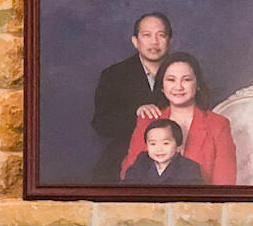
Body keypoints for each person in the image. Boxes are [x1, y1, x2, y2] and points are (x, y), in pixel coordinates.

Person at [120, 52, 238, 185]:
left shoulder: (217, 124)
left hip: (200, 204)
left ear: (197, 84)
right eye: (171, 80)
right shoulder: (148, 120)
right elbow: (129, 175)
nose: (178, 87)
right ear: (162, 86)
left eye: (186, 80)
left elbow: (224, 184)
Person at [90, 11, 173, 182]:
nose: (154, 42)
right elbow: (101, 124)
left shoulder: (183, 72)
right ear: (135, 41)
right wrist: (135, 113)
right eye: (147, 35)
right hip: (122, 161)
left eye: (161, 35)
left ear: (169, 41)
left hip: (173, 165)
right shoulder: (114, 75)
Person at [121, 118, 207, 185]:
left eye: (165, 143)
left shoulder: (189, 167)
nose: (159, 149)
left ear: (178, 146)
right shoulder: (142, 161)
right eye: (153, 144)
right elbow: (128, 185)